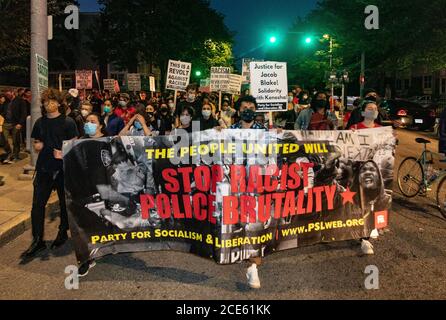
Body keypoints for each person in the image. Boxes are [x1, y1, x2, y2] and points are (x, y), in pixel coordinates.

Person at [21, 89, 79, 260]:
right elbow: (36, 141)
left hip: (63, 170)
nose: (48, 104)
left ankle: (62, 232)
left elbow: (75, 144)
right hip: (44, 169)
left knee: (64, 203)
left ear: (59, 103)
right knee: (37, 205)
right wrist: (37, 145)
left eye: (52, 101)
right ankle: (37, 239)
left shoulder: (68, 122)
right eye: (46, 101)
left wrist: (64, 152)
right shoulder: (40, 122)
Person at [228, 95, 267, 289]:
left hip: (256, 182)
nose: (248, 109)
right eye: (244, 107)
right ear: (238, 110)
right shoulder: (229, 131)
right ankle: (240, 252)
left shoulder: (264, 131)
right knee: (239, 221)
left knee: (254, 221)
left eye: (252, 107)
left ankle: (253, 266)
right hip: (235, 182)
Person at [2, 88, 28, 162]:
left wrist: (20, 123)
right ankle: (9, 153)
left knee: (15, 140)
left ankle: (15, 155)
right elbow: (3, 112)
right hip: (6, 123)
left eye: (8, 94)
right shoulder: (6, 102)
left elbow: (24, 113)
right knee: (4, 140)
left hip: (15, 123)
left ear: (12, 92)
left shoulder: (20, 100)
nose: (7, 96)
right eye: (6, 94)